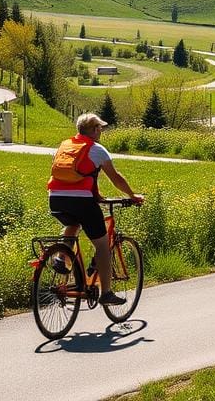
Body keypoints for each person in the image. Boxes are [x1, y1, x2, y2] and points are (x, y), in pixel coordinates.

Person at [47, 112, 144, 305]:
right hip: (82, 202)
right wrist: (132, 196)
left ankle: (61, 257)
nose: (101, 131)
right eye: (100, 128)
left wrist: (97, 195)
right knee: (102, 246)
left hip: (56, 199)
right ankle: (106, 293)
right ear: (94, 130)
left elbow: (77, 175)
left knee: (73, 223)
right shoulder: (96, 149)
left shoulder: (65, 146)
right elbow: (115, 178)